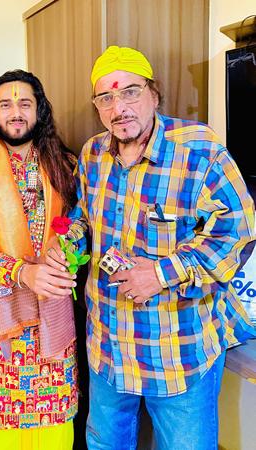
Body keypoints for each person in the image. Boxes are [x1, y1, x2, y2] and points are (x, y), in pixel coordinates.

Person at [46, 45, 256, 450]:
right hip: (107, 343)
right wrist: (65, 242)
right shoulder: (92, 153)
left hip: (178, 349)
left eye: (130, 92)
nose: (119, 108)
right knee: (104, 444)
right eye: (105, 98)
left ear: (154, 94)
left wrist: (160, 273)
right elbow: (83, 218)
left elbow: (238, 232)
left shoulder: (200, 150)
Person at [0, 70, 78, 450]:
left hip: (52, 318)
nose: (16, 112)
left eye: (25, 103)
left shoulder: (64, 164)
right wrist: (23, 273)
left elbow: (80, 222)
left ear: (40, 110)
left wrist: (68, 245)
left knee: (55, 429)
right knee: (1, 430)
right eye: (6, 104)